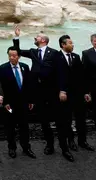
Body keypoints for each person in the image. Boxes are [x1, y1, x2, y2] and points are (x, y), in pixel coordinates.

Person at [13, 24, 67, 158]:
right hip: (39, 92)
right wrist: (16, 37)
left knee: (59, 119)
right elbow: (17, 51)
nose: (35, 38)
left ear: (43, 40)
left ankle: (64, 148)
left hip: (53, 91)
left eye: (36, 37)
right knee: (44, 120)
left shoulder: (54, 53)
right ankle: (49, 145)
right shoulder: (33, 52)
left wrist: (62, 90)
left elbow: (61, 73)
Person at [56, 35, 94, 153]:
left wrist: (86, 92)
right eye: (70, 43)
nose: (73, 45)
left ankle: (82, 141)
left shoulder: (76, 57)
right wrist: (61, 90)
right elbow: (56, 77)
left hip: (78, 94)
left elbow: (82, 76)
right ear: (63, 45)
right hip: (65, 95)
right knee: (67, 119)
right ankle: (70, 141)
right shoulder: (56, 57)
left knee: (81, 119)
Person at [0, 47, 37, 160]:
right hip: (10, 104)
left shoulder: (25, 67)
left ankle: (26, 147)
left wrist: (31, 100)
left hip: (24, 103)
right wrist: (5, 102)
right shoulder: (3, 68)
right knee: (10, 127)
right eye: (10, 55)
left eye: (14, 55)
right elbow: (1, 86)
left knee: (24, 126)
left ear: (19, 56)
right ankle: (12, 148)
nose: (12, 57)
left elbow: (29, 85)